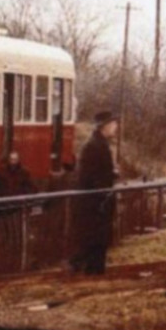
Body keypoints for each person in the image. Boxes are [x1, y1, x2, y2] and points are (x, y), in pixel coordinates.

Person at [69, 110, 119, 274]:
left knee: (96, 240)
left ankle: (89, 268)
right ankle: (87, 269)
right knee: (95, 240)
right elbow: (91, 175)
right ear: (104, 126)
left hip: (97, 201)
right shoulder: (95, 146)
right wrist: (105, 188)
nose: (116, 127)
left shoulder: (97, 144)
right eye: (113, 124)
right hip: (96, 202)